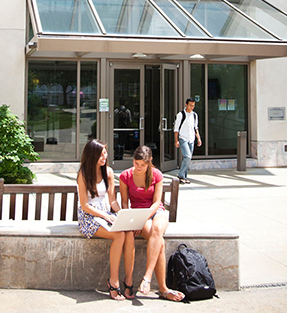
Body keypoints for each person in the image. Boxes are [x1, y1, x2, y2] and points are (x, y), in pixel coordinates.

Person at [119, 146, 185, 302]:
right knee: (159, 242)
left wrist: (146, 216)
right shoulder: (125, 176)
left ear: (149, 163)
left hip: (156, 212)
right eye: (136, 163)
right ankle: (163, 289)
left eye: (143, 165)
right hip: (139, 216)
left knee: (157, 229)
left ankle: (147, 277)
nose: (139, 168)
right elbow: (124, 203)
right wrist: (133, 221)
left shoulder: (157, 174)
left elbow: (157, 202)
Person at [77, 139, 135, 300]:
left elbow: (112, 201)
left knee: (128, 231)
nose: (104, 157)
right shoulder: (83, 174)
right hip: (88, 216)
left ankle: (127, 279)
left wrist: (123, 214)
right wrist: (105, 215)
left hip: (105, 215)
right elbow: (84, 205)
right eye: (101, 154)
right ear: (92, 155)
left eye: (105, 153)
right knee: (119, 235)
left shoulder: (108, 172)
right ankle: (113, 281)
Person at [174, 98, 202, 184]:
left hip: (191, 139)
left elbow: (195, 128)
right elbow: (176, 129)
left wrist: (199, 138)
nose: (192, 107)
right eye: (190, 105)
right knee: (188, 157)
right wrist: (176, 140)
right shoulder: (180, 115)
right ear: (186, 104)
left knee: (187, 158)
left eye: (193, 105)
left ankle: (184, 178)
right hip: (183, 138)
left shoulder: (194, 115)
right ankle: (180, 175)